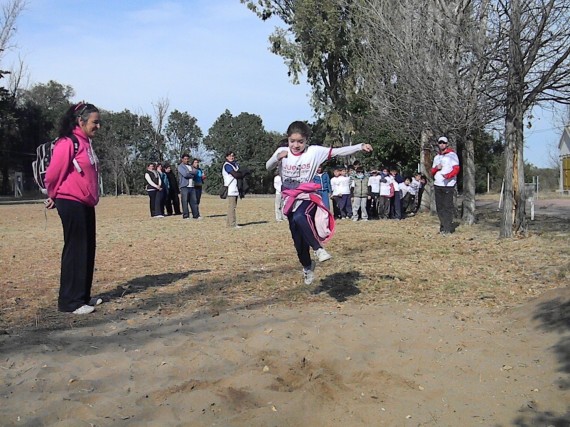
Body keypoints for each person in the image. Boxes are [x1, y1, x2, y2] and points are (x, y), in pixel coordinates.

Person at [266, 121, 373, 285]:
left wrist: (360, 146)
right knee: (298, 241)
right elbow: (268, 166)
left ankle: (318, 249)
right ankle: (308, 267)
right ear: (288, 139)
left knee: (301, 217)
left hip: (307, 195)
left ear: (307, 140)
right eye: (292, 141)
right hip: (289, 198)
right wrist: (276, 159)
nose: (296, 145)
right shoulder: (282, 151)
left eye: (300, 142)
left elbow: (339, 151)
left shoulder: (315, 152)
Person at [44, 102, 103, 315]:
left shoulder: (86, 143)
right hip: (70, 201)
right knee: (75, 249)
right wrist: (53, 195)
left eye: (99, 122)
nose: (98, 126)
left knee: (87, 248)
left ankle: (83, 296)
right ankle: (69, 302)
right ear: (81, 121)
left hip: (86, 203)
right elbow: (52, 174)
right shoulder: (68, 142)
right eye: (95, 122)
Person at [431, 136, 460, 235]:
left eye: (443, 143)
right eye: (440, 143)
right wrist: (436, 168)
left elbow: (456, 169)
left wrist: (448, 176)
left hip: (448, 185)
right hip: (437, 184)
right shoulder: (437, 157)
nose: (442, 144)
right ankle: (443, 226)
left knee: (447, 206)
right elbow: (432, 171)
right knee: (440, 207)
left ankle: (448, 228)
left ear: (447, 144)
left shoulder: (452, 155)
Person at [222, 150, 249, 228]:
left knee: (233, 206)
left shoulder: (235, 164)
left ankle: (229, 223)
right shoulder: (227, 165)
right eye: (230, 156)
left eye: (232, 156)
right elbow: (236, 175)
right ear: (227, 157)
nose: (231, 157)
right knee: (232, 206)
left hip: (236, 187)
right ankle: (232, 224)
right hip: (231, 188)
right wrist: (243, 173)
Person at [178, 153, 201, 220]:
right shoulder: (180, 166)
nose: (187, 160)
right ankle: (186, 216)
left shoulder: (191, 166)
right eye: (185, 159)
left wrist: (190, 173)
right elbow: (185, 174)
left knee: (194, 201)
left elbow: (196, 172)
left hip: (192, 186)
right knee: (185, 201)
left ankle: (196, 215)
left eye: (187, 159)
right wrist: (191, 174)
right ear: (182, 159)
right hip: (184, 186)